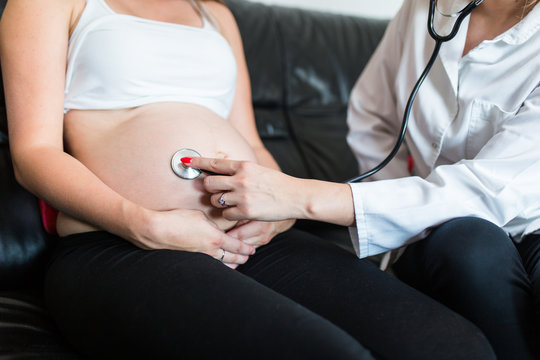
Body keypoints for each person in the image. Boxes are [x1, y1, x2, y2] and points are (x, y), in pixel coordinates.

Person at [0, 0, 496, 358]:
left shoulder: (217, 16)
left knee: (455, 345)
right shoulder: (51, 4)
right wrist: (145, 224)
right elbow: (33, 152)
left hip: (253, 241)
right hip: (121, 246)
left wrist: (275, 219)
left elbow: (253, 147)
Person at [185, 0, 540, 359]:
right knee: (470, 243)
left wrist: (298, 196)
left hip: (530, 226)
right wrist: (398, 210)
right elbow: (373, 115)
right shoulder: (426, 7)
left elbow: (487, 193)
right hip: (443, 235)